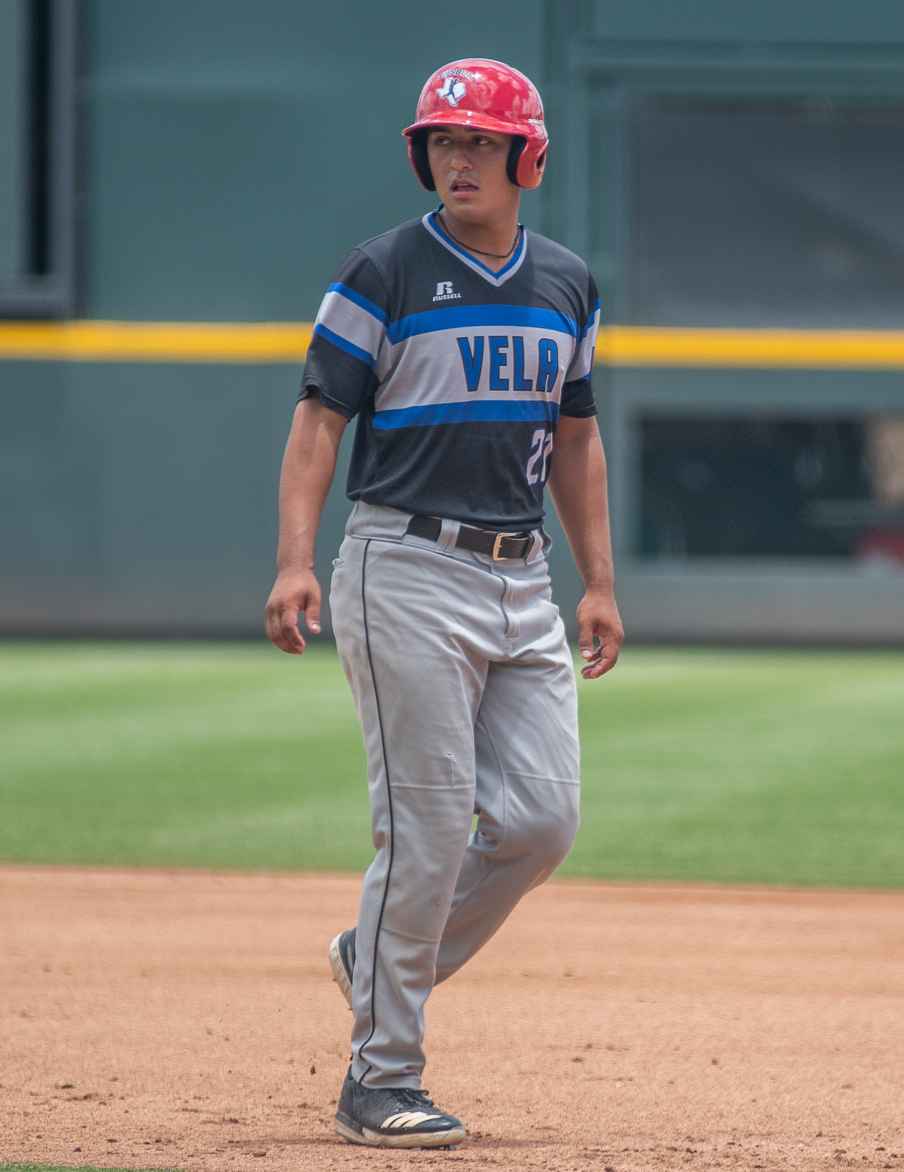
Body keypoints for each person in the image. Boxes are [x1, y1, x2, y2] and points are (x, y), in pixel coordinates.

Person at [263, 57, 623, 1149]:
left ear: (528, 158)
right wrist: (295, 558)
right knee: (421, 831)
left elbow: (574, 441)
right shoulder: (382, 271)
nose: (459, 159)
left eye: (480, 142)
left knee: (541, 822)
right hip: (404, 566)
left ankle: (370, 961)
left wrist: (598, 578)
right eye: (444, 142)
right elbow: (318, 421)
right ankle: (380, 1078)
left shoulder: (566, 284)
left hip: (522, 579)